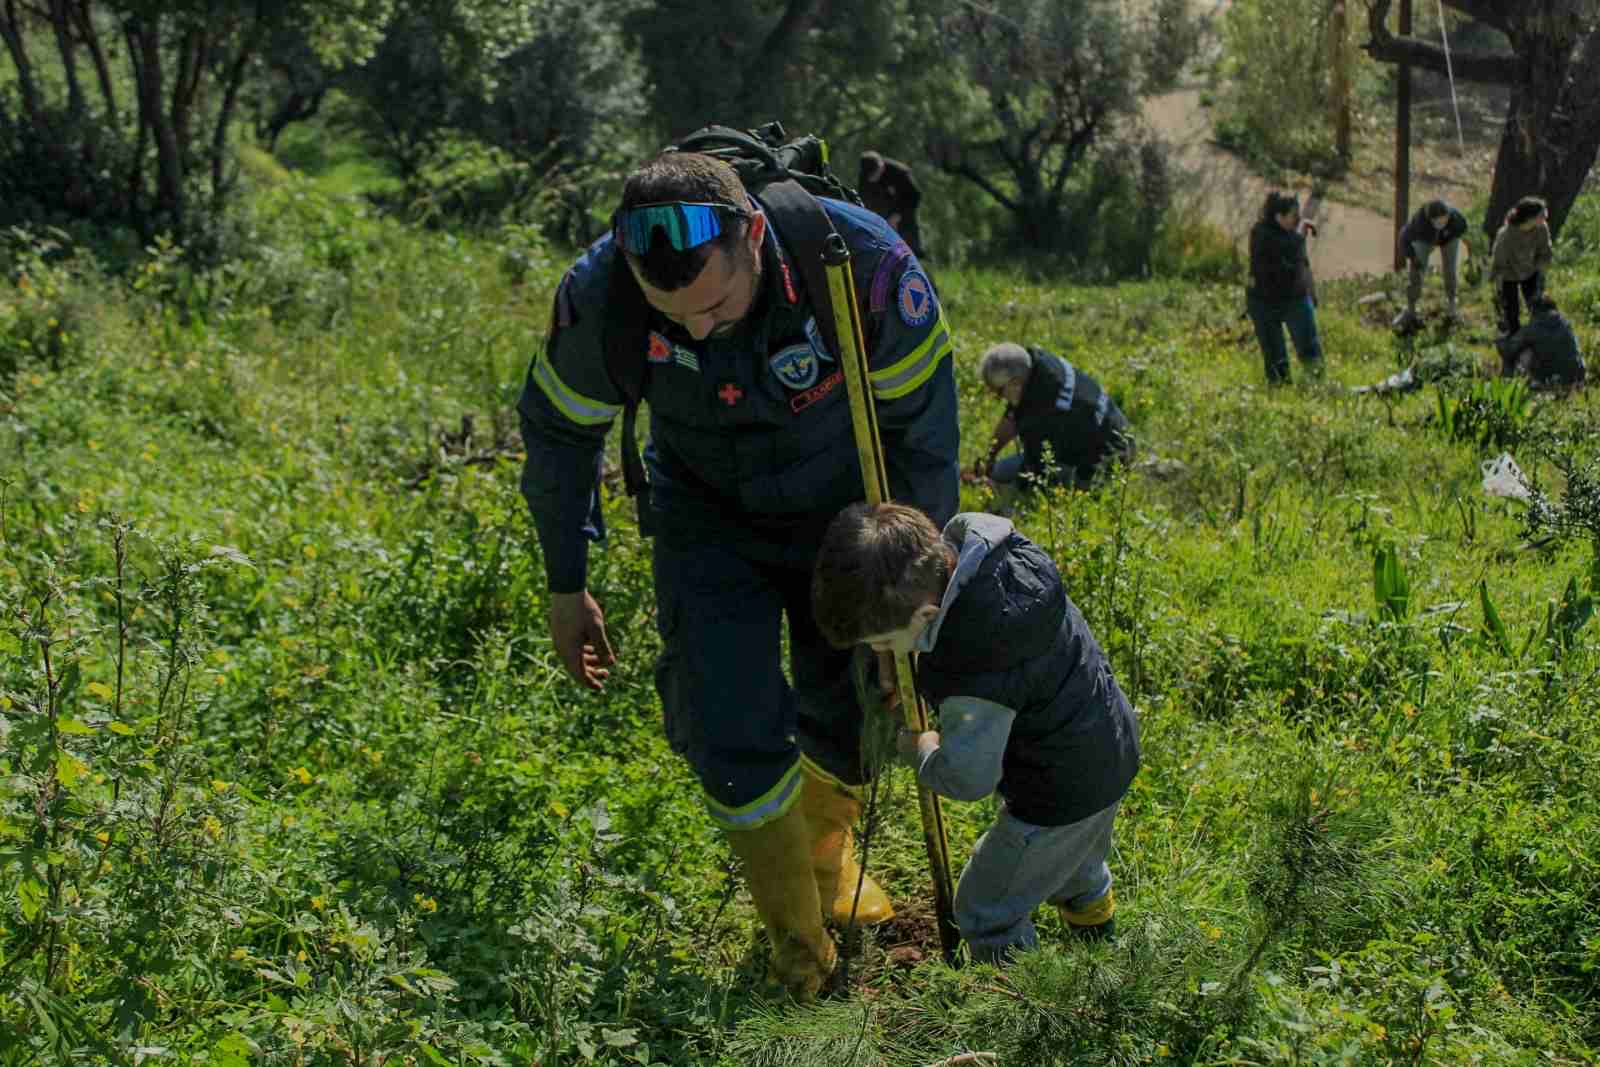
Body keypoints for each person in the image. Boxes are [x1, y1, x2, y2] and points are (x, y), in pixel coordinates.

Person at [517, 151, 958, 1000]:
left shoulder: (860, 269)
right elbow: (559, 436)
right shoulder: (601, 295)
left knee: (851, 695)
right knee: (727, 714)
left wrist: (917, 601)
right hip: (703, 514)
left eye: (716, 305)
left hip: (842, 509)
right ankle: (796, 942)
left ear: (753, 235)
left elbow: (925, 436)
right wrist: (565, 584)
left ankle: (828, 867)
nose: (698, 331)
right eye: (672, 318)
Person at [812, 503, 1141, 963]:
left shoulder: (976, 663)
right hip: (1109, 743)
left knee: (984, 907)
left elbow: (969, 778)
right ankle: (1098, 947)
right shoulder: (1000, 565)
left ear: (927, 616)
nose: (881, 655)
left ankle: (1025, 1005)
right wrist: (899, 652)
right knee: (1076, 867)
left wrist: (921, 748)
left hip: (1057, 796)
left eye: (884, 644)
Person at [973, 342, 1133, 493]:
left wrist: (993, 489)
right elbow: (1012, 416)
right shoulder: (1037, 363)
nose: (999, 398)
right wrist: (989, 457)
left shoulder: (1044, 416)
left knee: (1011, 488)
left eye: (998, 392)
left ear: (1015, 383)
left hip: (1109, 463)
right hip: (1114, 429)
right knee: (998, 471)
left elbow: (1034, 475)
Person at [1246, 191, 1324, 385]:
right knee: (1276, 360)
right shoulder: (1261, 234)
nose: (1298, 220)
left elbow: (1302, 264)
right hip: (1264, 303)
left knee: (1310, 351)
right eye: (1294, 216)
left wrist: (1311, 292)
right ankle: (1281, 394)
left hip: (1295, 298)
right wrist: (1300, 234)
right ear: (1278, 216)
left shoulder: (1291, 235)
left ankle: (1317, 387)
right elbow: (1284, 248)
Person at [1392, 198, 1469, 331]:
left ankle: (1452, 307)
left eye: (1443, 219)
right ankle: (1411, 310)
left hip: (1449, 238)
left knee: (1450, 270)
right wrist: (1413, 256)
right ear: (1430, 219)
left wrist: (1471, 250)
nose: (1441, 223)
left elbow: (1466, 232)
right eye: (1437, 221)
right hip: (1425, 239)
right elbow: (1403, 240)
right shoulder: (1418, 223)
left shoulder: (1456, 219)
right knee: (1416, 272)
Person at [1490, 196, 1553, 336]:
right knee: (1511, 311)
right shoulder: (1506, 235)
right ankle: (1514, 340)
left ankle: (1539, 335)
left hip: (1531, 270)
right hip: (1509, 274)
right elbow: (1499, 263)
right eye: (1541, 215)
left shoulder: (1542, 228)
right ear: (1529, 217)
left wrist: (1541, 271)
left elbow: (1545, 252)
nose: (1545, 217)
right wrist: (1499, 288)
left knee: (1536, 305)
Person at [1495, 294, 1586, 391]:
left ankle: (1507, 386)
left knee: (1523, 351)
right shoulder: (1566, 324)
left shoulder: (1532, 329)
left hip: (1552, 380)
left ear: (1533, 310)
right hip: (1578, 376)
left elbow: (1508, 351)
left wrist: (1501, 337)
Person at [859, 150, 925, 256]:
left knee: (908, 241)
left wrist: (898, 214)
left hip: (904, 210)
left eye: (876, 174)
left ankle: (914, 257)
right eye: (871, 177)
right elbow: (863, 197)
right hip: (883, 212)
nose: (873, 178)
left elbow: (914, 196)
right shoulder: (866, 174)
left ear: (881, 166)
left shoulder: (900, 173)